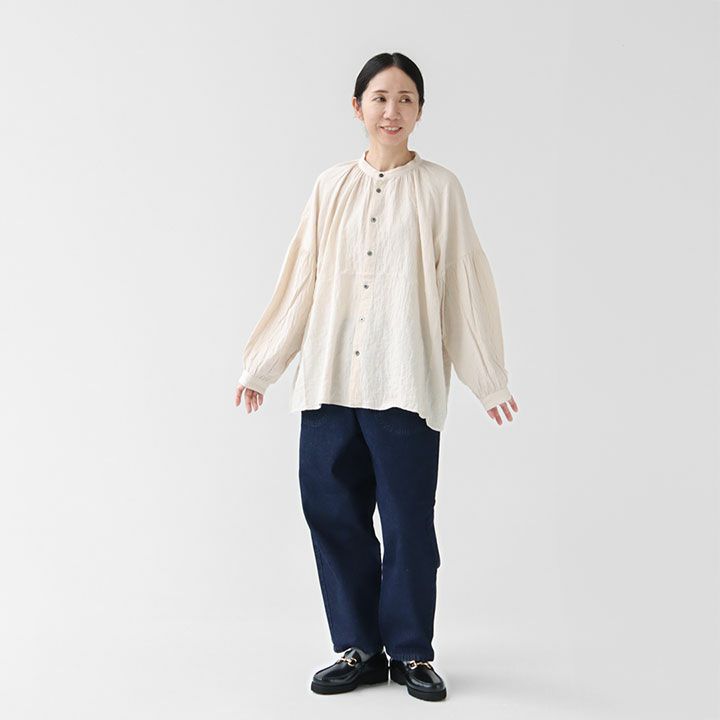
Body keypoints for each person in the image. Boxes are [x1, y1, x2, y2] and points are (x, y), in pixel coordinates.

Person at [234, 51, 519, 702]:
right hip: (329, 381)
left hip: (405, 382)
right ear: (357, 106)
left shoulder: (440, 189)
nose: (392, 110)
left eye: (406, 99)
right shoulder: (330, 186)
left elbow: (462, 287)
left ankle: (412, 652)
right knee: (331, 513)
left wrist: (488, 379)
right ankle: (357, 648)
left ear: (420, 111)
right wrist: (263, 365)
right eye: (381, 98)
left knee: (408, 522)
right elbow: (301, 277)